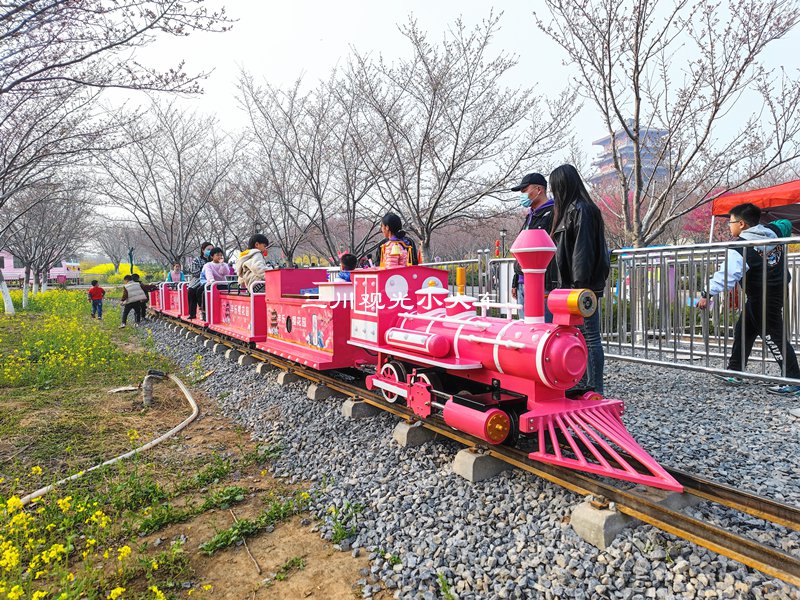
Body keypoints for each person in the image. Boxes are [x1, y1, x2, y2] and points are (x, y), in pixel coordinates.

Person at [697, 203, 800, 395]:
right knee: (744, 329)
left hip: (761, 295)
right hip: (774, 290)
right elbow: (785, 222)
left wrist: (706, 294)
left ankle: (793, 379)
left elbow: (726, 276)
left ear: (742, 224)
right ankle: (735, 370)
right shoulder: (773, 231)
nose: (729, 226)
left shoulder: (740, 247)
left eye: (731, 222)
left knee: (773, 336)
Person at [549, 164, 611, 395]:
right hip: (574, 286)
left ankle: (594, 386)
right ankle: (583, 382)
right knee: (580, 335)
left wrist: (579, 286)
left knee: (590, 335)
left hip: (582, 287)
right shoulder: (571, 210)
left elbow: (582, 252)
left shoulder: (582, 210)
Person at [509, 172, 558, 321]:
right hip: (523, 282)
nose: (522, 195)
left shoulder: (553, 213)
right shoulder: (530, 215)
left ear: (539, 190)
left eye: (524, 190)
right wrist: (516, 280)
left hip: (542, 284)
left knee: (542, 328)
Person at [187, 242, 212, 320]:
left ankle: (206, 312)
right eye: (208, 249)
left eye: (212, 249)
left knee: (202, 291)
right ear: (203, 250)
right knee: (191, 291)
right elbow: (194, 272)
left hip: (211, 281)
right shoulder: (197, 260)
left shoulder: (214, 259)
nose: (210, 251)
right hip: (198, 281)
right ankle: (193, 314)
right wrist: (205, 271)